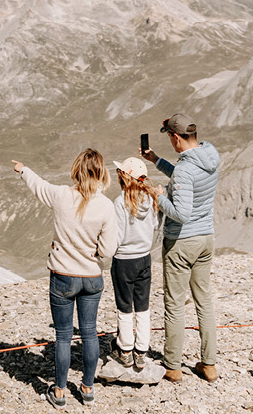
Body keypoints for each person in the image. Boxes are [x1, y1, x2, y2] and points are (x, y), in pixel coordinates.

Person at [13, 149, 119, 407]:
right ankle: (87, 388)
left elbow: (39, 186)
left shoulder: (61, 196)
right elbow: (107, 251)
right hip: (91, 277)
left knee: (63, 336)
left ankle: (59, 392)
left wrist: (23, 169)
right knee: (90, 333)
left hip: (62, 276)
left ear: (76, 171)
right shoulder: (106, 205)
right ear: (101, 173)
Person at [141, 112, 221, 384]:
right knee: (204, 301)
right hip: (206, 239)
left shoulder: (187, 168)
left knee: (175, 304)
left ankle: (173, 366)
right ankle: (209, 364)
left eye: (171, 140)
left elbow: (181, 212)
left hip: (182, 242)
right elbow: (185, 178)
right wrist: (156, 161)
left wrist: (158, 196)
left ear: (176, 137)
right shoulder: (210, 154)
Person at [110, 157, 159, 371]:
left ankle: (126, 349)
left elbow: (117, 235)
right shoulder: (150, 199)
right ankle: (142, 350)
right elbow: (155, 226)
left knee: (124, 306)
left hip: (123, 259)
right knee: (143, 306)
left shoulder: (120, 202)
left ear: (124, 176)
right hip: (144, 258)